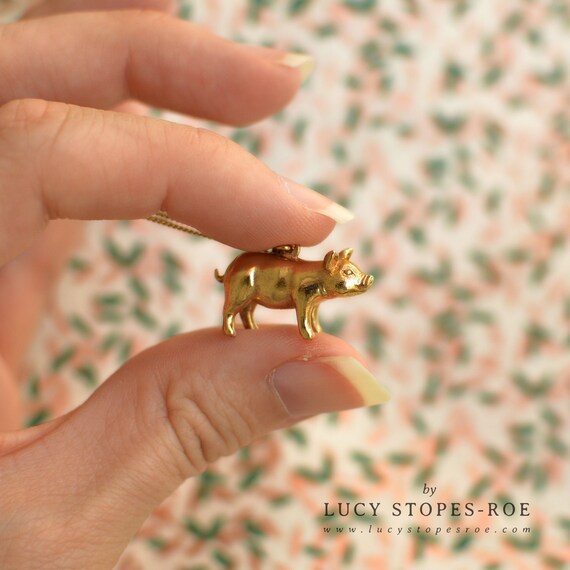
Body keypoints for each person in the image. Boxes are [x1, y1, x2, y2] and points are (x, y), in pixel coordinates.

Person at [0, 1, 390, 568]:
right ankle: (237, 317)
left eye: (349, 278)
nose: (349, 282)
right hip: (255, 277)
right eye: (348, 277)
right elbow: (305, 314)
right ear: (333, 271)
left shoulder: (312, 277)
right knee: (241, 298)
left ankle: (241, 316)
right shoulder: (308, 284)